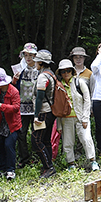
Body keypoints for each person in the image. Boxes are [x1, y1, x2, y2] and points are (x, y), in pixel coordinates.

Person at [56, 59, 99, 172]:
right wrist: (58, 125)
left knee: (86, 139)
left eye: (68, 71)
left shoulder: (79, 82)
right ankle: (71, 163)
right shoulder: (58, 86)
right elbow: (57, 106)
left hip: (80, 117)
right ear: (60, 73)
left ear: (72, 71)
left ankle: (92, 161)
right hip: (66, 119)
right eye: (63, 71)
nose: (66, 73)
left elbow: (87, 100)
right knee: (67, 142)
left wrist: (85, 117)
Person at [0, 67, 22, 179]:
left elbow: (16, 107)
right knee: (1, 146)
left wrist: (1, 106)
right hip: (2, 123)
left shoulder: (13, 91)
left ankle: (10, 170)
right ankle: (1, 168)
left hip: (12, 125)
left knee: (9, 146)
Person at [12, 43, 40, 166]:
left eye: (31, 55)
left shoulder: (40, 70)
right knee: (21, 133)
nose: (28, 58)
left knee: (37, 133)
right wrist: (14, 81)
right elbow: (14, 89)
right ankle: (24, 159)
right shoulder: (20, 70)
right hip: (22, 108)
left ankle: (38, 157)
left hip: (36, 108)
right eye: (26, 55)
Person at [32, 50, 57, 178]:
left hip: (43, 112)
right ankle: (48, 165)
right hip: (50, 112)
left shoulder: (43, 76)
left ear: (41, 62)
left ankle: (48, 167)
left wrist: (36, 115)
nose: (35, 63)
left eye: (37, 61)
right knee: (45, 139)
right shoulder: (51, 74)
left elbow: (39, 97)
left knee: (36, 140)